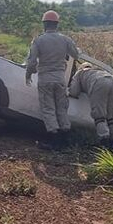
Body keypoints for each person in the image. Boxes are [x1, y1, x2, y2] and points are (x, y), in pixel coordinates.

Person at [25, 10, 79, 149]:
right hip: (60, 79)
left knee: (48, 109)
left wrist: (28, 75)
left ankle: (54, 140)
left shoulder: (38, 40)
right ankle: (65, 139)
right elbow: (76, 54)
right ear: (56, 24)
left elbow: (31, 62)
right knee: (61, 108)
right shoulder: (65, 39)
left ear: (45, 24)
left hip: (45, 79)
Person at [69, 63, 113, 149]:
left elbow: (74, 91)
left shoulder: (79, 73)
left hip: (98, 83)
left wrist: (69, 91)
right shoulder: (97, 71)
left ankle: (104, 142)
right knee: (112, 117)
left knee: (99, 116)